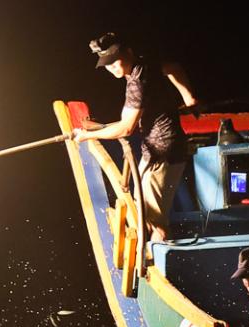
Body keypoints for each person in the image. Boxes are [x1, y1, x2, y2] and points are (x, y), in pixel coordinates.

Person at [69, 33, 196, 242]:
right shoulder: (148, 63)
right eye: (106, 64)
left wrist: (86, 136)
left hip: (161, 152)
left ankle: (157, 267)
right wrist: (189, 98)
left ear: (128, 52)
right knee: (141, 204)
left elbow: (126, 129)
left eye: (115, 61)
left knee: (153, 218)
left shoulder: (137, 82)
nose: (112, 68)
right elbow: (173, 68)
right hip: (165, 146)